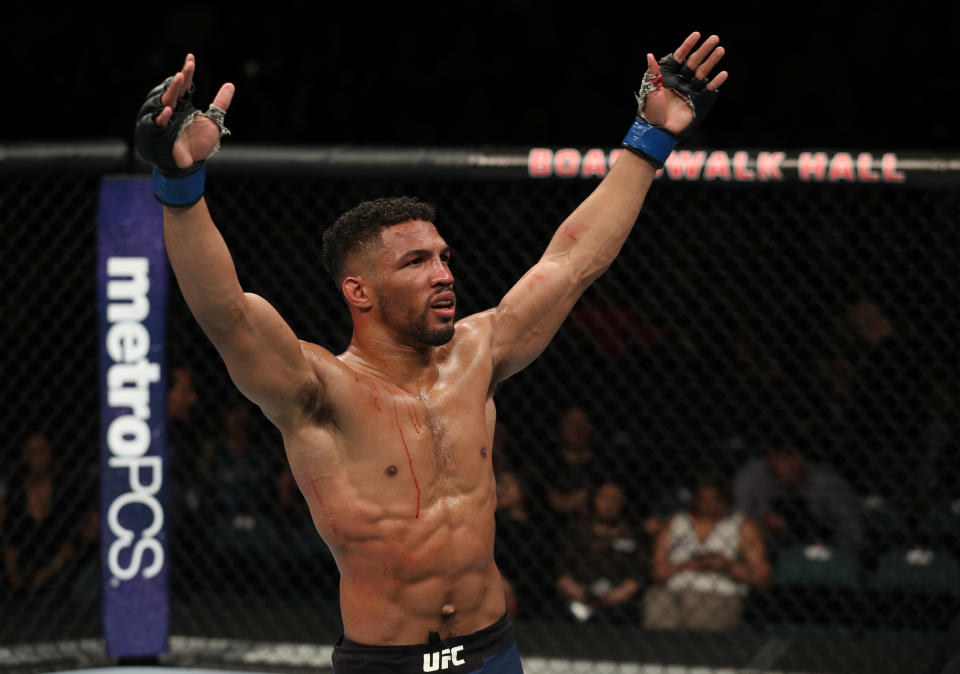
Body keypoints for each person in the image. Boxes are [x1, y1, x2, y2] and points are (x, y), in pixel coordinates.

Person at [135, 31, 727, 673]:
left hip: (491, 650)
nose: (443, 273)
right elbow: (225, 312)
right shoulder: (317, 391)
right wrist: (179, 181)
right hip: (385, 661)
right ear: (358, 290)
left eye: (444, 257)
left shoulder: (480, 353)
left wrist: (651, 138)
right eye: (417, 262)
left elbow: (573, 260)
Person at [643, 473, 770, 631]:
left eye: (715, 500)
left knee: (700, 612)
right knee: (656, 598)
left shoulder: (742, 525)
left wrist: (725, 565)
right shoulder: (676, 521)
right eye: (703, 500)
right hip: (672, 589)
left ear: (726, 499)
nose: (709, 505)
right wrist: (687, 565)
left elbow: (762, 576)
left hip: (717, 593)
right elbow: (656, 572)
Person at [734, 442, 862, 551]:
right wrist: (762, 522)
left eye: (790, 460)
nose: (786, 468)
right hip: (771, 548)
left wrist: (829, 546)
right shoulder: (755, 476)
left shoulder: (826, 483)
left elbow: (852, 532)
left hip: (822, 546)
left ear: (800, 460)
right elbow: (740, 516)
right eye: (779, 460)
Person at [555, 482, 647, 624]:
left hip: (616, 600)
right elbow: (560, 571)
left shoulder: (631, 534)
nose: (609, 505)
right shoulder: (577, 530)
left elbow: (637, 576)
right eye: (604, 498)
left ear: (622, 504)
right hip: (577, 594)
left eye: (614, 500)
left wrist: (613, 596)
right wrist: (580, 594)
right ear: (595, 500)